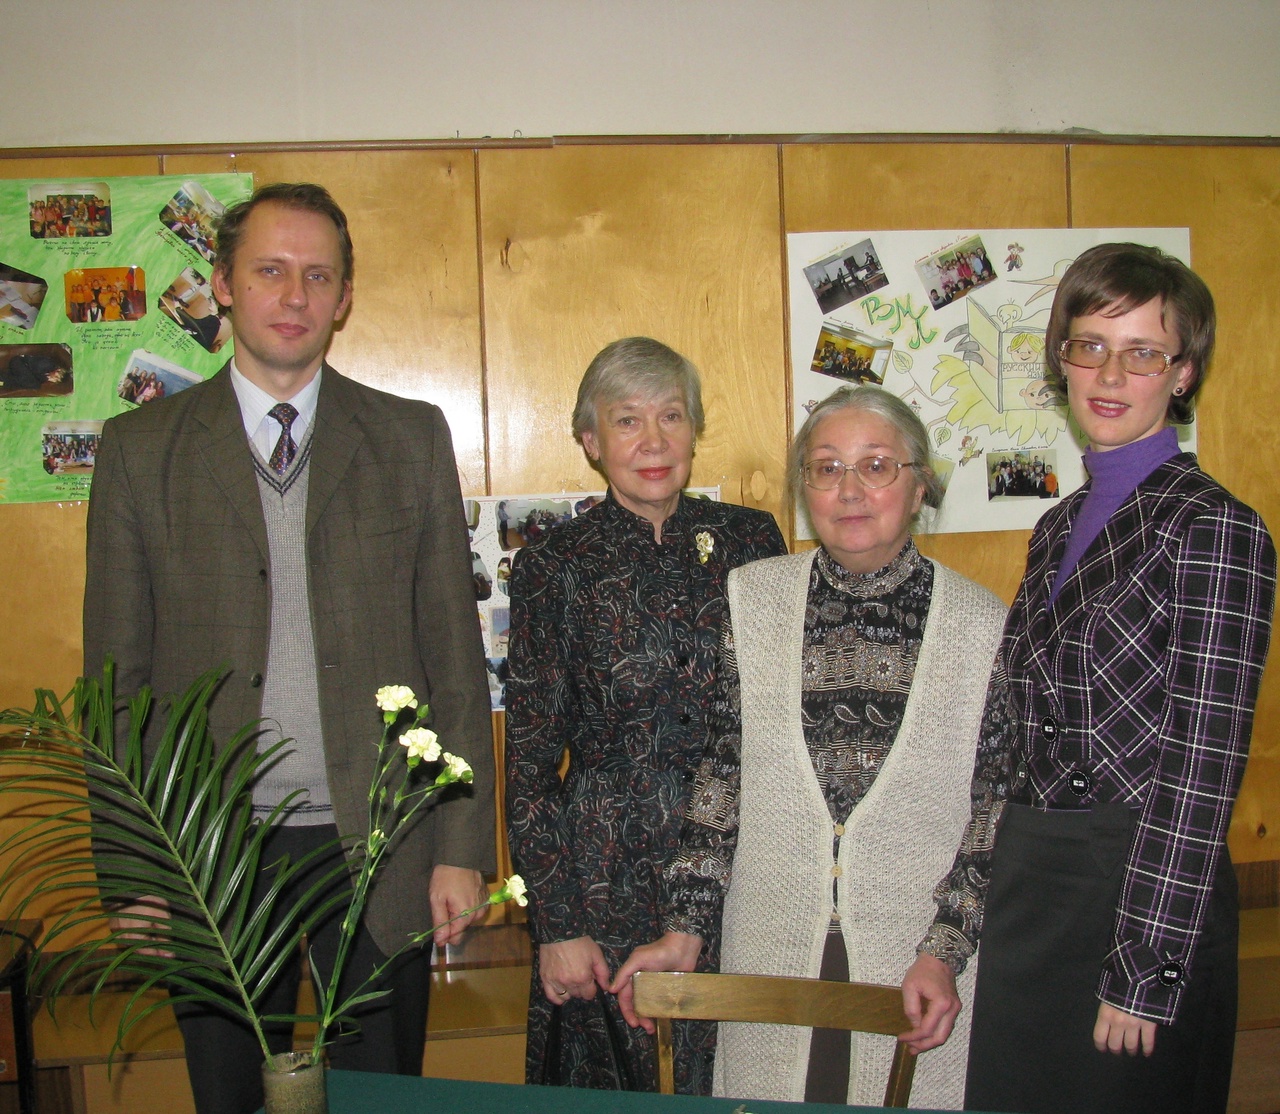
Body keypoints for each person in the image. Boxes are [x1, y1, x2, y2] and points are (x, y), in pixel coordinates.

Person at [82, 182, 495, 1114]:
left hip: (382, 843)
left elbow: (454, 661)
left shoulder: (409, 438)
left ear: (344, 297)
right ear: (224, 285)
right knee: (229, 1096)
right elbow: (115, 684)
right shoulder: (139, 450)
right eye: (270, 270)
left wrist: (462, 845)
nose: (294, 295)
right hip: (210, 851)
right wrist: (134, 874)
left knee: (382, 1098)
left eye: (318, 275)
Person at [613, 385, 1011, 1108]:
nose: (849, 490)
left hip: (915, 962)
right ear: (805, 490)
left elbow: (992, 817)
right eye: (826, 468)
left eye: (876, 466)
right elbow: (722, 777)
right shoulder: (752, 600)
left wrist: (944, 951)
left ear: (920, 486)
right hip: (771, 941)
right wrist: (685, 927)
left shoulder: (983, 625)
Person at [956, 243, 1277, 1114]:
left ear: (1183, 373)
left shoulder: (1215, 528)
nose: (1109, 373)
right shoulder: (1058, 526)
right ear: (1061, 357)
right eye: (1090, 344)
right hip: (1034, 889)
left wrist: (1145, 967)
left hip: (1137, 897)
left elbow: (1202, 768)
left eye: (1143, 352)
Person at [505, 337, 787, 1094]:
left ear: (694, 430)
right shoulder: (553, 565)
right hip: (604, 873)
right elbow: (529, 764)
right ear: (591, 442)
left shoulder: (754, 541)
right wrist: (557, 924)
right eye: (627, 420)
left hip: (743, 855)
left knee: (740, 1074)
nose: (653, 441)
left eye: (671, 416)